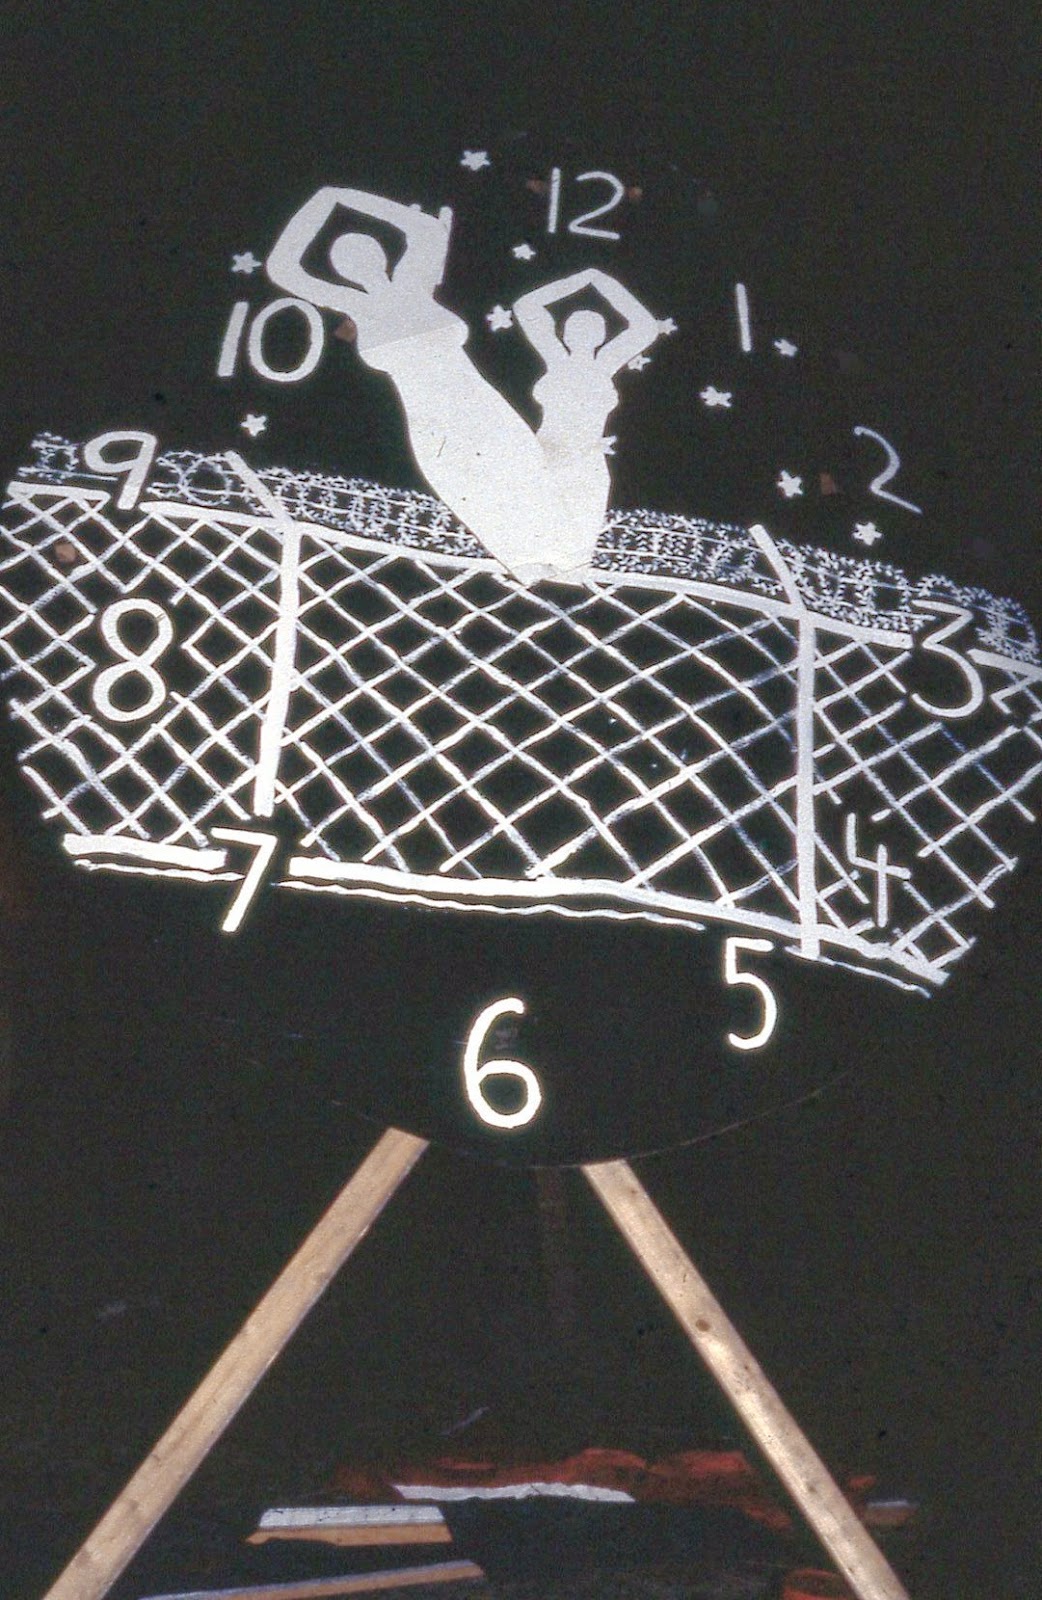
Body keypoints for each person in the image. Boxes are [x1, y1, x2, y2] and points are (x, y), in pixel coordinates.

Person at [266, 187, 572, 581]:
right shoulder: (355, 305)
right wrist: (322, 202)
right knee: (464, 482)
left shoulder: (414, 280)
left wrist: (348, 198)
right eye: (348, 259)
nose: (360, 261)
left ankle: (560, 550)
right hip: (428, 415)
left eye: (365, 250)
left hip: (473, 396)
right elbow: (283, 269)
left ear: (381, 252)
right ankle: (522, 562)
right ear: (341, 272)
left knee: (520, 460)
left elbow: (425, 228)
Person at [513, 269, 662, 572]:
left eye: (591, 328)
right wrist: (577, 281)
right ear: (564, 332)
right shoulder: (556, 358)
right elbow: (525, 306)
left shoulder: (605, 364)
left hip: (585, 461)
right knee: (534, 536)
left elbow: (646, 327)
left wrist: (605, 283)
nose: (581, 332)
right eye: (574, 326)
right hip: (547, 456)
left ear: (602, 336)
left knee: (573, 546)